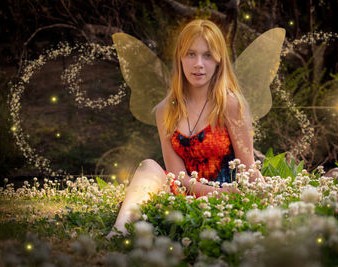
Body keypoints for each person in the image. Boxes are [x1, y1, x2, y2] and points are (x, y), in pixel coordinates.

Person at [107, 19, 264, 238]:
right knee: (149, 166)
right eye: (190, 54)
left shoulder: (229, 104)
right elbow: (175, 173)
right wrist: (207, 193)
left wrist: (269, 201)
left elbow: (248, 167)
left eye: (207, 55)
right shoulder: (165, 110)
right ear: (180, 59)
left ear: (219, 61)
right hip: (184, 195)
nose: (198, 63)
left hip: (225, 200)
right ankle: (117, 232)